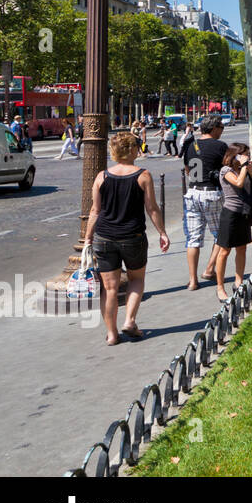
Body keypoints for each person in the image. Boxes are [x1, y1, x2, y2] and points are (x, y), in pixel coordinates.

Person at [82, 131, 170, 345]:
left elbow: (95, 210)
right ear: (131, 150)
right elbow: (152, 208)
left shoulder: (102, 176)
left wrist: (88, 238)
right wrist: (162, 232)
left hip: (104, 237)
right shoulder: (143, 175)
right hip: (133, 236)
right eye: (137, 146)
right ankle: (130, 321)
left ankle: (112, 334)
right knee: (137, 279)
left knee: (109, 288)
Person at [212, 143, 252, 302]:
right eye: (245, 154)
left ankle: (238, 281)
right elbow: (238, 183)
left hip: (244, 213)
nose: (248, 157)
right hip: (230, 215)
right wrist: (245, 167)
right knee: (224, 251)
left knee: (242, 248)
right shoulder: (226, 170)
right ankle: (220, 287)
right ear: (235, 155)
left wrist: (249, 170)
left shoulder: (243, 170)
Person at [179, 115, 227, 290]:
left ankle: (192, 280)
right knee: (221, 234)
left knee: (192, 239)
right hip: (212, 194)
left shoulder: (191, 145)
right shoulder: (220, 146)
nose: (222, 130)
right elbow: (227, 168)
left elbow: (187, 169)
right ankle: (209, 269)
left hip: (192, 193)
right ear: (214, 128)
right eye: (221, 127)